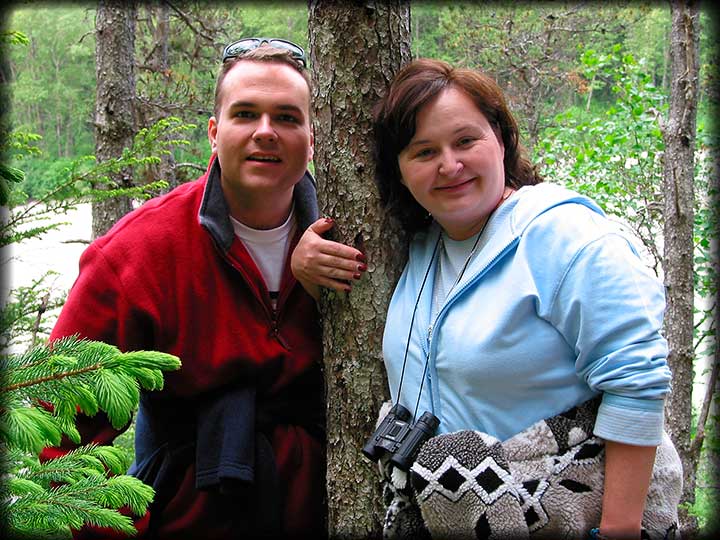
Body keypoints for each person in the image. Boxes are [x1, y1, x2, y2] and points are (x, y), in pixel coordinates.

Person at [292, 58, 680, 540]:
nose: (449, 165)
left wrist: (619, 530)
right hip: (451, 512)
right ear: (399, 169)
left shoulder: (563, 236)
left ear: (501, 138)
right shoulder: (420, 244)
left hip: (561, 512)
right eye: (423, 151)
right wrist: (307, 269)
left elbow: (637, 379)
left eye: (465, 141)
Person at [43, 38, 326, 539]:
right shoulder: (139, 253)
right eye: (245, 114)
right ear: (214, 134)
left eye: (286, 117)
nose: (266, 133)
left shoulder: (350, 234)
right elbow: (54, 430)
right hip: (191, 514)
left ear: (311, 137)